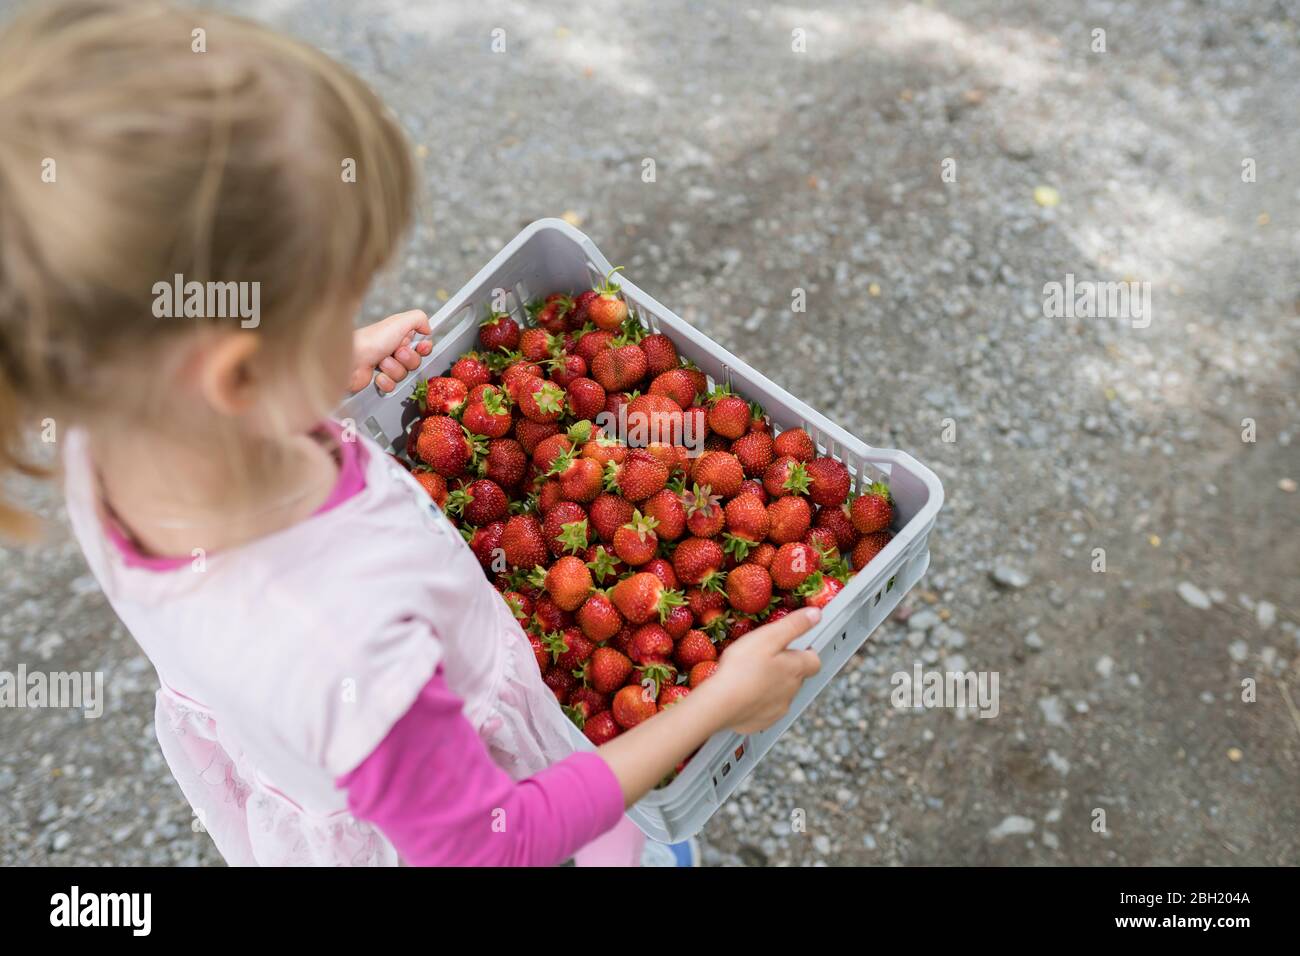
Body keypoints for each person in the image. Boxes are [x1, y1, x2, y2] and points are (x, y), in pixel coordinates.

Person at [0, 0, 821, 866]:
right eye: (335, 300)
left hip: (351, 747)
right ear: (237, 372)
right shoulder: (338, 634)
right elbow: (499, 841)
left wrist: (317, 367)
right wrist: (714, 705)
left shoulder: (112, 437)